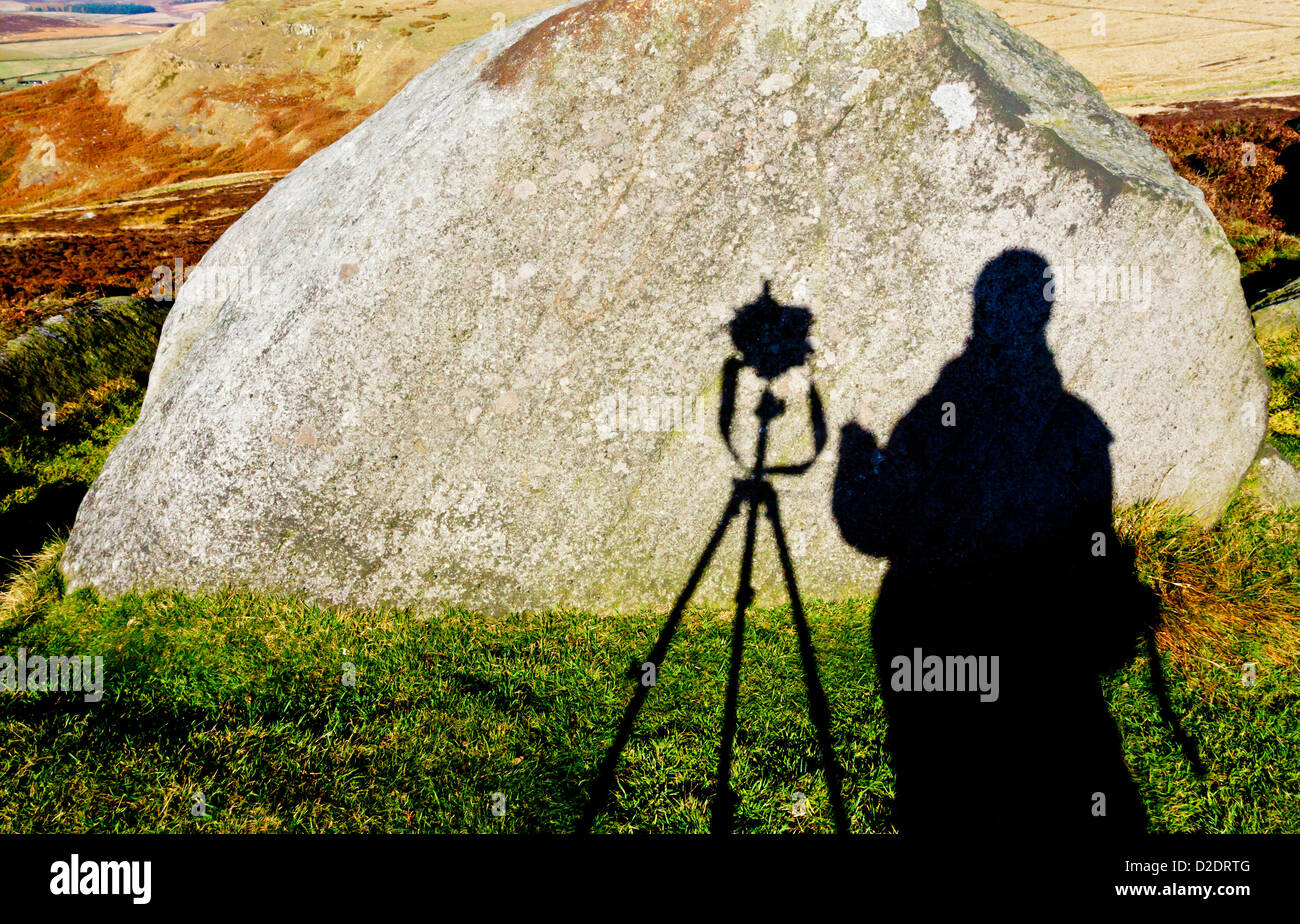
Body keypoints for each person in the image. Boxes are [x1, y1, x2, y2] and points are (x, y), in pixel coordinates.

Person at [832, 249, 1152, 835]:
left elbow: (875, 529)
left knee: (945, 798)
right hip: (1046, 665)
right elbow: (1095, 549)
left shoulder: (936, 417)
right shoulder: (1080, 428)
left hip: (940, 656)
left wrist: (855, 466)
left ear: (981, 312)